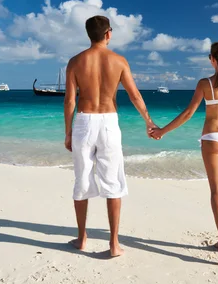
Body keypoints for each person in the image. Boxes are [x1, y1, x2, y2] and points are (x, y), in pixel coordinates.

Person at [64, 15, 157, 257]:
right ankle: (114, 244)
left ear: (89, 34)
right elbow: (135, 95)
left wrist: (68, 131)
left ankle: (82, 238)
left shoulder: (75, 61)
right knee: (113, 181)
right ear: (109, 33)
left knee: (82, 180)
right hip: (108, 123)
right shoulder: (119, 61)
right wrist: (148, 122)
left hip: (83, 121)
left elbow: (70, 100)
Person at [149, 42, 218, 265]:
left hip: (212, 138)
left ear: (212, 59)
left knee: (216, 191)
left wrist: (162, 131)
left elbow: (188, 114)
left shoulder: (205, 84)